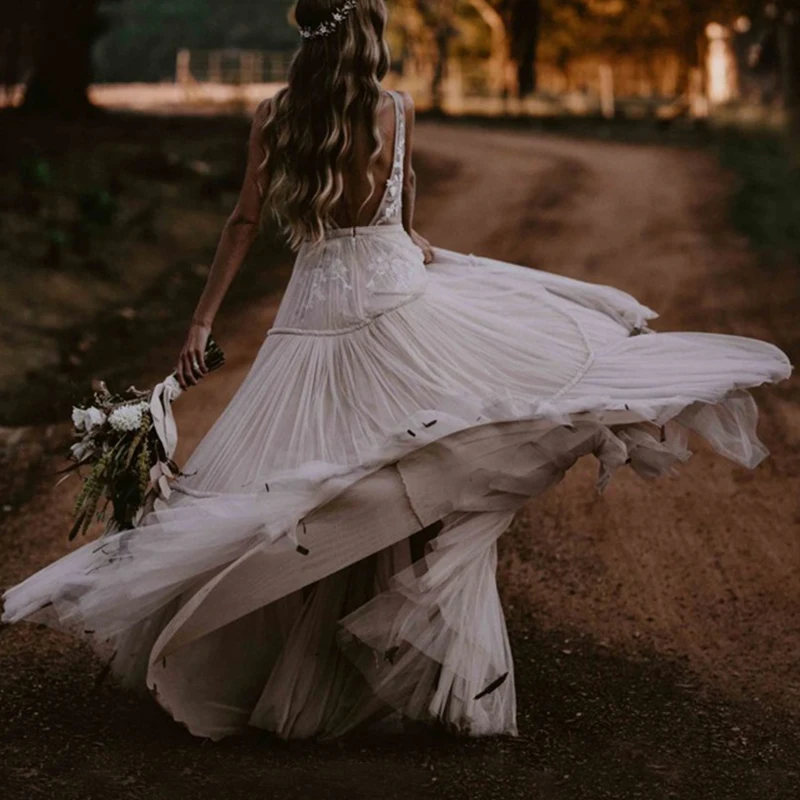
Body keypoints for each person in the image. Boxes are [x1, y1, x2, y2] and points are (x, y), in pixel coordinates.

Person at [2, 0, 792, 742]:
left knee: (309, 474)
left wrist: (203, 320)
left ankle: (307, 660)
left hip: (312, 312)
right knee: (410, 460)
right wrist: (476, 281)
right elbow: (406, 228)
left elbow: (244, 222)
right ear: (366, 34)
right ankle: (397, 665)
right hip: (394, 298)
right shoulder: (396, 111)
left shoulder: (276, 116)